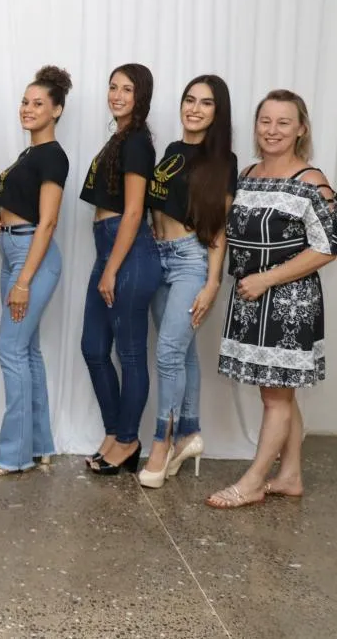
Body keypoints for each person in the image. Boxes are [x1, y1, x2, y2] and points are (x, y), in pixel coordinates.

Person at [207, 90, 336, 508]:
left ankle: (253, 481)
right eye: (265, 121)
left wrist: (268, 279)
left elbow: (329, 245)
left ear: (301, 129)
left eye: (283, 122)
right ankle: (291, 475)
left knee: (275, 396)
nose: (272, 130)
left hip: (289, 304)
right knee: (280, 391)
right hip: (250, 298)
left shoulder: (311, 182)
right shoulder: (247, 174)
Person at [137, 75, 236, 488]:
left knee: (167, 353)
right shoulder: (171, 152)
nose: (194, 109)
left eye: (206, 103)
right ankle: (189, 433)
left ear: (217, 112)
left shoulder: (222, 162)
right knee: (183, 352)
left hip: (190, 261)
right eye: (189, 99)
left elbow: (219, 228)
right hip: (158, 257)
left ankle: (161, 443)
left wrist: (212, 283)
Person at [0, 66, 72, 477]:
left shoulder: (52, 155)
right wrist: (2, 220)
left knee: (10, 350)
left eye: (38, 103)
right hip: (15, 247)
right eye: (24, 102)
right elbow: (27, 207)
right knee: (27, 351)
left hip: (31, 257)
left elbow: (48, 222)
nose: (28, 109)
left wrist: (23, 281)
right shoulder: (30, 155)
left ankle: (13, 455)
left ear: (57, 110)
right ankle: (39, 446)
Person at [80, 63, 160, 476]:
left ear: (141, 96)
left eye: (127, 89)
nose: (117, 95)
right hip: (108, 248)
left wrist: (111, 269)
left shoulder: (137, 143)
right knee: (93, 348)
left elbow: (133, 211)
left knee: (129, 353)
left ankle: (128, 439)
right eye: (113, 87)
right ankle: (115, 432)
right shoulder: (119, 138)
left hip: (128, 254)